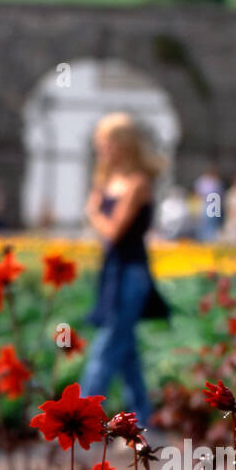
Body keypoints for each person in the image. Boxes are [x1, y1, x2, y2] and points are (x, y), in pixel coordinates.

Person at [81, 113, 170, 427]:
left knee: (106, 347)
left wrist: (92, 210)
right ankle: (144, 418)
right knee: (127, 353)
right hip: (114, 270)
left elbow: (114, 231)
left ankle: (79, 417)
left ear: (121, 144)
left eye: (105, 143)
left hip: (131, 273)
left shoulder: (136, 183)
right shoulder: (110, 181)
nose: (101, 149)